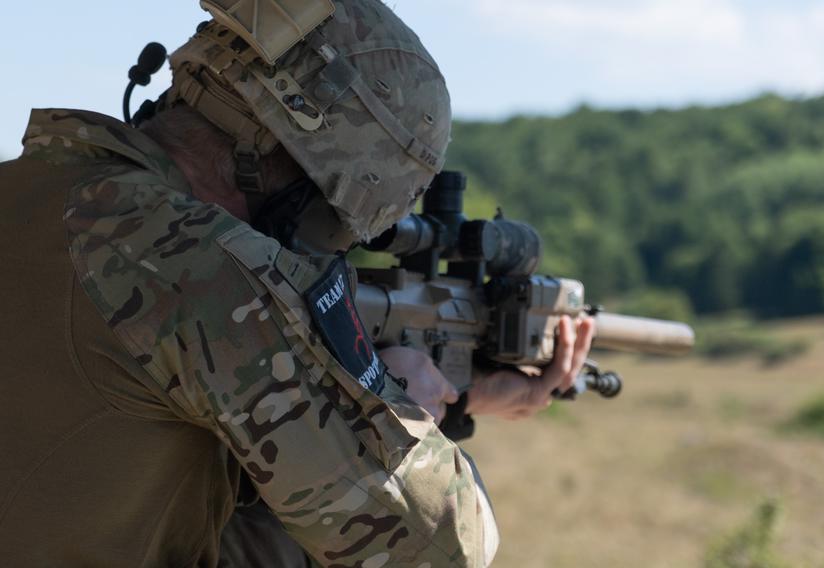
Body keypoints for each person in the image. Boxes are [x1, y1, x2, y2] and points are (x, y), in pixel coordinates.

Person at [0, 1, 593, 566]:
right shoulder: (208, 267)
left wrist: (462, 393)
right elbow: (446, 547)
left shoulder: (34, 191)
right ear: (298, 179)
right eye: (340, 231)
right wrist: (401, 411)